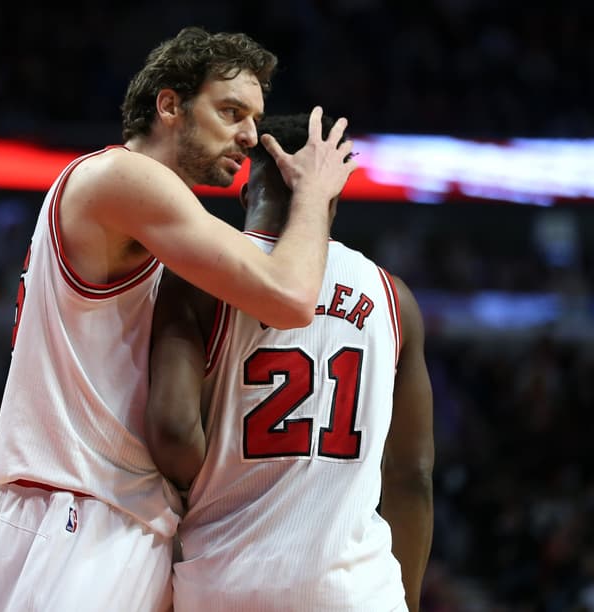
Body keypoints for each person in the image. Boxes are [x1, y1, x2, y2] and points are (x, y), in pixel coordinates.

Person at [0, 27, 359, 612]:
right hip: (88, 512)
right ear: (169, 105)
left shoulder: (139, 204)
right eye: (230, 111)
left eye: (254, 119)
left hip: (74, 510)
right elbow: (288, 296)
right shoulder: (129, 179)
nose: (250, 135)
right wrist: (314, 194)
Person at [145, 113, 434, 611]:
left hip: (226, 583)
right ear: (333, 201)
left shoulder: (200, 278)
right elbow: (412, 476)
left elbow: (172, 431)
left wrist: (220, 473)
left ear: (246, 196)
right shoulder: (393, 299)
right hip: (355, 592)